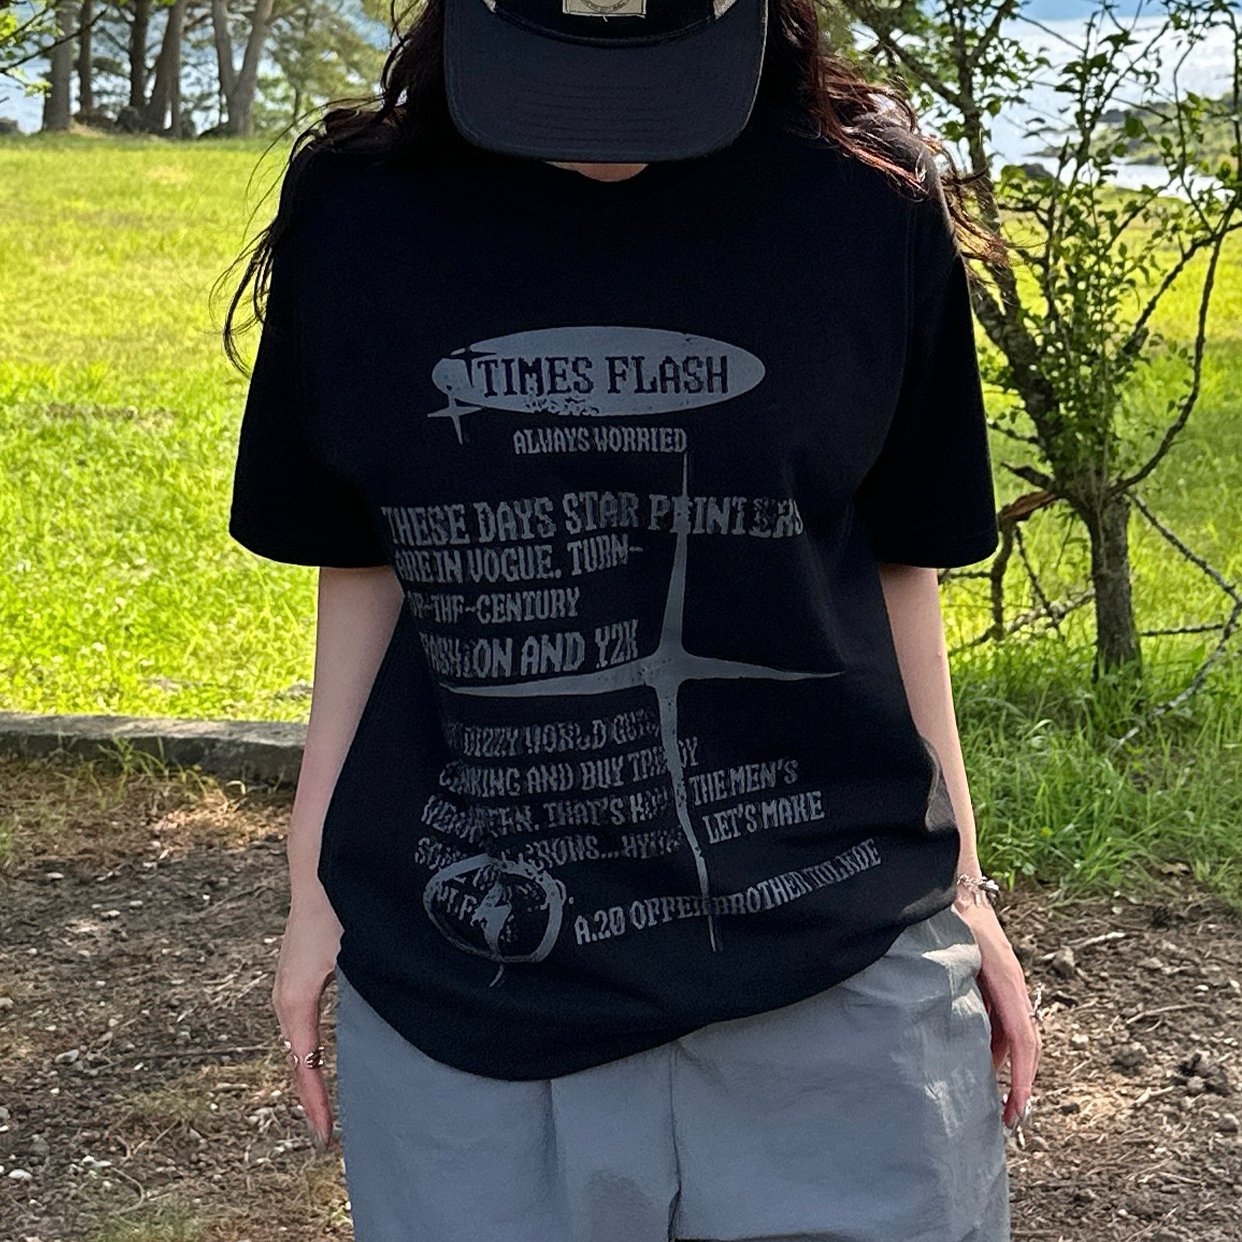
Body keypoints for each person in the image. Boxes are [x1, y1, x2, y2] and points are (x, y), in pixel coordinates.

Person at [224, 0, 1042, 1237]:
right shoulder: (359, 211)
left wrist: (965, 889)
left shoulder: (867, 198)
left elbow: (893, 567)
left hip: (840, 986)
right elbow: (365, 567)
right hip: (469, 989)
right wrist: (313, 886)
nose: (604, 134)